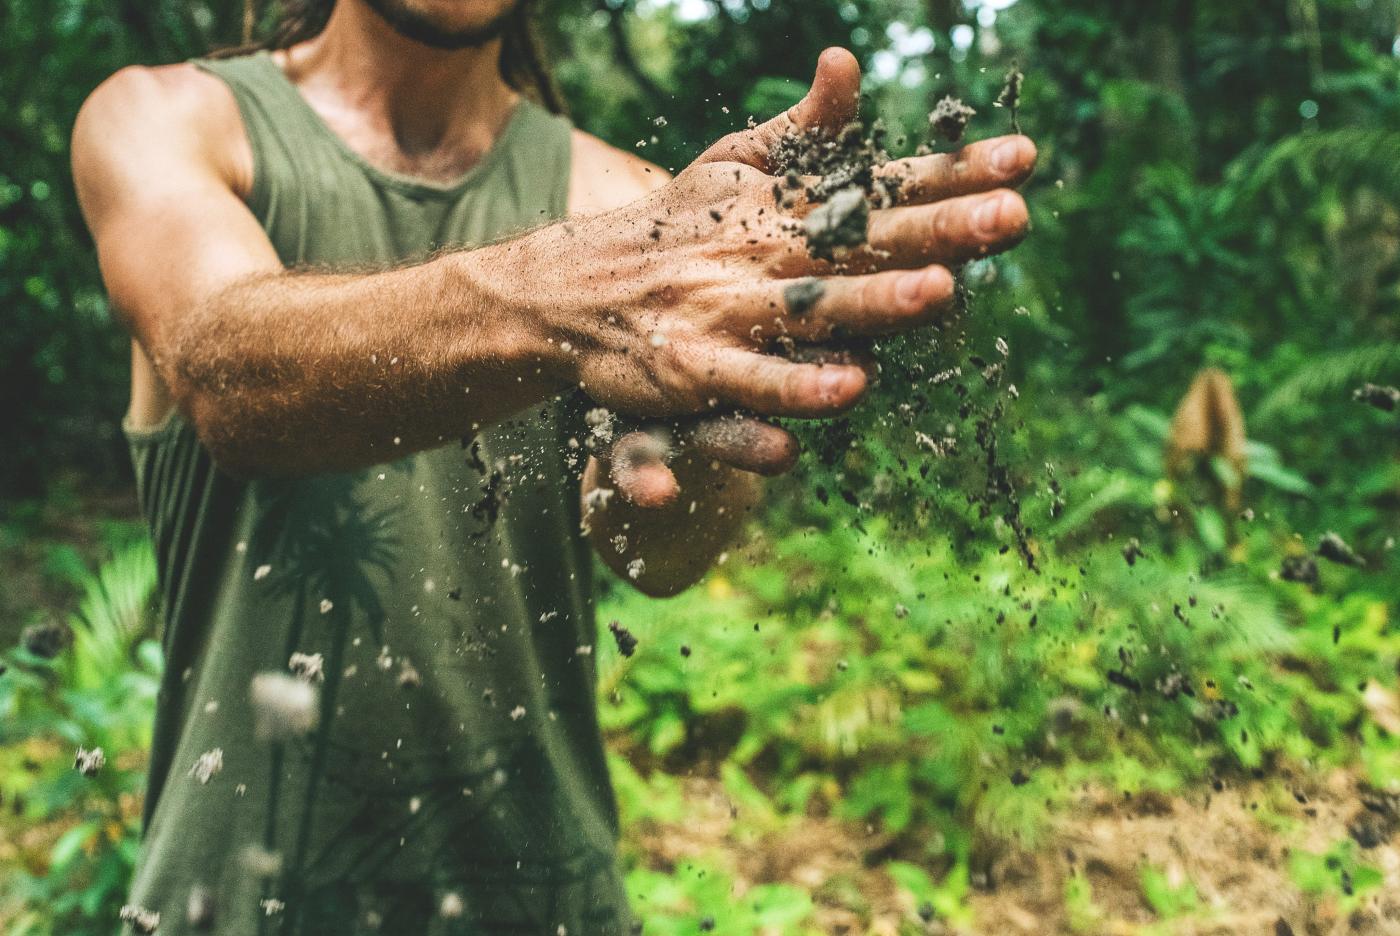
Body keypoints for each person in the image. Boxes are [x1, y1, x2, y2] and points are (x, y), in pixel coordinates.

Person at [71, 0, 1036, 931]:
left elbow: (664, 557)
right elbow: (230, 376)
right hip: (234, 900)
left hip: (542, 900)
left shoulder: (629, 205)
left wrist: (672, 467)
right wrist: (564, 298)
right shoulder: (169, 119)